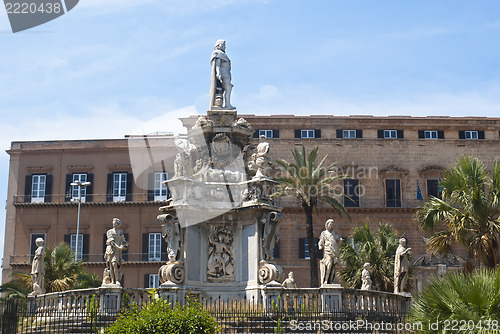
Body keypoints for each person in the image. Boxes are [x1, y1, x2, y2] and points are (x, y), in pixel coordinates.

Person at [210, 39, 235, 110]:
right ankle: (227, 105)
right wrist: (218, 73)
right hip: (223, 73)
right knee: (228, 88)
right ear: (219, 45)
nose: (224, 47)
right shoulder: (217, 53)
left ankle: (227, 104)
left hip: (226, 73)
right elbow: (217, 65)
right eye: (223, 45)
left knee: (227, 88)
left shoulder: (222, 54)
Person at [103, 218, 128, 286]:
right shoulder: (109, 232)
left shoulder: (120, 232)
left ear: (118, 225)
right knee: (111, 266)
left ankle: (117, 280)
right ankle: (113, 281)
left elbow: (123, 241)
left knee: (115, 264)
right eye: (113, 223)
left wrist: (125, 245)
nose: (114, 225)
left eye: (115, 224)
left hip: (117, 251)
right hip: (110, 250)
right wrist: (119, 247)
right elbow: (112, 242)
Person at [318, 219, 342, 285]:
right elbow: (321, 241)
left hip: (334, 250)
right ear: (327, 224)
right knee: (329, 264)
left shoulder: (334, 233)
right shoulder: (324, 233)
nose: (331, 226)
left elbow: (337, 238)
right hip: (328, 250)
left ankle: (330, 280)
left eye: (332, 225)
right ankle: (325, 280)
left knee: (333, 267)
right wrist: (320, 245)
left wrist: (340, 240)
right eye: (330, 224)